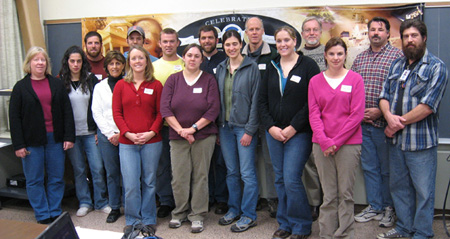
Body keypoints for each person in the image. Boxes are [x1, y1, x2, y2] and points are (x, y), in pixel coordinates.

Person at [377, 19, 448, 239]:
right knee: (399, 189)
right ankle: (404, 228)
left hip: (421, 144)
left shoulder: (437, 67)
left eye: (414, 36)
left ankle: (423, 233)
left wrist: (397, 124)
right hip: (396, 143)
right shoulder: (397, 65)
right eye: (406, 36)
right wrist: (388, 117)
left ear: (424, 38)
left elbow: (427, 106)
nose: (409, 40)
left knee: (423, 193)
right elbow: (383, 96)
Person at [259, 26, 320, 239]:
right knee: (280, 179)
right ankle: (284, 223)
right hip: (274, 133)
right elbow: (262, 101)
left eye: (287, 40)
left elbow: (312, 102)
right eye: (279, 41)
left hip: (300, 132)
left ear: (295, 41)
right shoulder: (270, 65)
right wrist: (271, 127)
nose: (283, 44)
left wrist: (293, 127)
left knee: (292, 178)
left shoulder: (308, 66)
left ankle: (302, 225)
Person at [9, 46, 75, 224]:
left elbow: (67, 112)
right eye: (36, 59)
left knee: (56, 177)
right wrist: (18, 145)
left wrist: (69, 137)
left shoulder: (56, 84)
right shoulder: (20, 87)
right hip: (31, 141)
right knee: (34, 179)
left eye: (43, 59)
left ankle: (54, 210)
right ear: (29, 63)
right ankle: (42, 213)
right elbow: (14, 118)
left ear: (47, 63)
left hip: (55, 138)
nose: (40, 63)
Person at [308, 37, 365, 239]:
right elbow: (314, 114)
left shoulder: (355, 80)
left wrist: (336, 142)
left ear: (345, 55)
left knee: (346, 195)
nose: (335, 57)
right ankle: (326, 234)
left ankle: (344, 234)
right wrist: (324, 141)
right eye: (331, 53)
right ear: (325, 55)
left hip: (348, 145)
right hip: (321, 145)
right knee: (329, 194)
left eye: (339, 53)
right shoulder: (315, 81)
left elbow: (356, 115)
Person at [161, 44, 220, 233]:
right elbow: (165, 109)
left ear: (202, 60)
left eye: (197, 56)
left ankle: (197, 215)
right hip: (177, 136)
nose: (193, 59)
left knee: (200, 176)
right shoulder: (173, 80)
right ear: (183, 58)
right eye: (189, 55)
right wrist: (182, 131)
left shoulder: (209, 80)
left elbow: (213, 109)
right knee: (179, 177)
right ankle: (179, 213)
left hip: (203, 136)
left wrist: (193, 129)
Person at [351, 17, 403, 228]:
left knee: (387, 170)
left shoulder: (397, 56)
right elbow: (352, 87)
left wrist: (381, 113)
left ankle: (390, 209)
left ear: (388, 33)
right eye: (372, 30)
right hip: (362, 124)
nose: (375, 33)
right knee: (369, 168)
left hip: (386, 125)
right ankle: (375, 206)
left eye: (380, 30)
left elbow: (401, 92)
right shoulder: (360, 58)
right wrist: (359, 112)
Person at [112, 45, 163, 237]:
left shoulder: (156, 85)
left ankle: (149, 219)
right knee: (131, 183)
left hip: (152, 141)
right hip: (127, 143)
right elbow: (117, 113)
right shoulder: (120, 86)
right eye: (134, 58)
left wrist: (151, 132)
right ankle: (133, 220)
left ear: (146, 61)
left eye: (141, 58)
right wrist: (127, 133)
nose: (137, 62)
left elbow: (161, 113)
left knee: (149, 182)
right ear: (129, 62)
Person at [216, 29, 260, 233]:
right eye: (227, 45)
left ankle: (249, 215)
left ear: (241, 44)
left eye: (234, 44)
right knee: (231, 172)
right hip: (225, 128)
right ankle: (234, 209)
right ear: (223, 47)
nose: (231, 48)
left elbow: (256, 102)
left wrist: (250, 130)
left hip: (244, 128)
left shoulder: (251, 67)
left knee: (247, 173)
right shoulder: (220, 68)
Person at [59, 45, 110, 218]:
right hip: (72, 135)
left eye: (79, 61)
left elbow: (98, 108)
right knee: (79, 169)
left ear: (83, 62)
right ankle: (85, 202)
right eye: (72, 61)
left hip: (90, 133)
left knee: (97, 168)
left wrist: (97, 130)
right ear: (67, 62)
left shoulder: (91, 80)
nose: (75, 64)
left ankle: (101, 201)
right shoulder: (61, 82)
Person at [242, 16, 278, 217]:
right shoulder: (239, 56)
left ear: (263, 31)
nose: (254, 32)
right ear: (246, 33)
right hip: (244, 120)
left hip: (266, 119)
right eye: (250, 29)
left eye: (257, 29)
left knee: (270, 161)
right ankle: (252, 199)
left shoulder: (273, 56)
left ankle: (273, 199)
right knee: (248, 163)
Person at [152, 27, 184, 218]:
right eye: (165, 41)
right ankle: (165, 200)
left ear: (177, 43)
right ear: (160, 44)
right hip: (161, 126)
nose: (169, 44)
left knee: (181, 167)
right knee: (162, 165)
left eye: (172, 41)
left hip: (182, 127)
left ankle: (183, 200)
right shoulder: (154, 67)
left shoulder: (186, 62)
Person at [91, 50, 126, 223]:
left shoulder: (129, 83)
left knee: (129, 173)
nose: (114, 67)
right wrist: (110, 134)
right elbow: (96, 113)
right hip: (107, 136)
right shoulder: (99, 87)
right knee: (112, 173)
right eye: (111, 63)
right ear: (106, 67)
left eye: (118, 63)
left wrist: (122, 133)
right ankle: (114, 207)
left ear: (123, 66)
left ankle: (130, 206)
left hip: (127, 135)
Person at [198, 25, 228, 215]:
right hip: (200, 123)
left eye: (210, 38)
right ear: (199, 40)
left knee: (221, 163)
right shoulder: (196, 60)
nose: (207, 41)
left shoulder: (225, 59)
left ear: (217, 40)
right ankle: (206, 198)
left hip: (221, 120)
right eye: (203, 38)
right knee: (204, 165)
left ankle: (222, 199)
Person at [299, 17, 326, 221]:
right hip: (306, 117)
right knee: (310, 164)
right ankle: (315, 202)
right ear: (302, 33)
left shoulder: (330, 52)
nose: (311, 33)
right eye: (307, 30)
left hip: (330, 118)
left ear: (320, 31)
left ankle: (331, 203)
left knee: (329, 163)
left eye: (315, 29)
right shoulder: (297, 56)